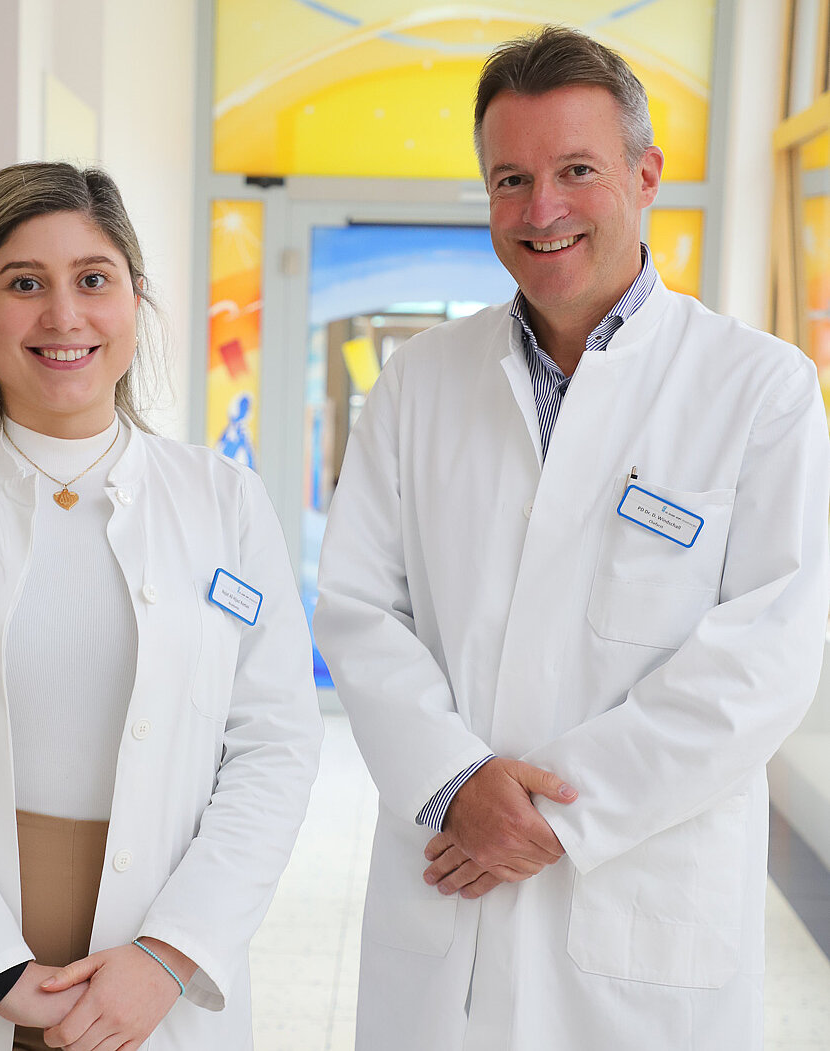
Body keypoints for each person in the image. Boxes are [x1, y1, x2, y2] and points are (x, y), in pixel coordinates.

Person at [314, 25, 830, 1051]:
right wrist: (457, 783)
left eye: (575, 171)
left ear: (645, 176)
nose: (539, 209)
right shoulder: (419, 382)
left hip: (638, 914)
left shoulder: (757, 389)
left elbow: (767, 652)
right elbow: (360, 609)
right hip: (446, 886)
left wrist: (556, 816)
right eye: (510, 178)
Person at [0, 161, 323, 1051]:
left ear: (135, 301)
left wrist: (167, 955)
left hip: (148, 987)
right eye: (24, 283)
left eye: (93, 279)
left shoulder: (224, 501)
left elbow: (275, 744)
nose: (64, 316)